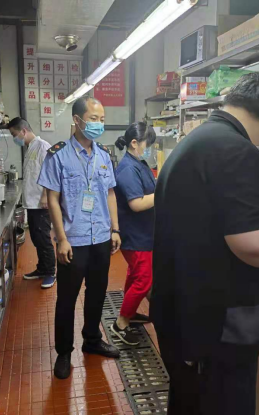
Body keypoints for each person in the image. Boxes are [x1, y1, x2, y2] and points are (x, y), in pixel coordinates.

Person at [151, 72, 259, 415]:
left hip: (182, 318)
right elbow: (254, 242)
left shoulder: (195, 141)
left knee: (188, 403)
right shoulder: (236, 150)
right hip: (213, 333)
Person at [38, 96, 122, 380]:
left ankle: (92, 340)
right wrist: (61, 239)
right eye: (94, 119)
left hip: (100, 238)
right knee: (67, 298)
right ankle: (64, 352)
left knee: (97, 292)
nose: (99, 124)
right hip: (73, 239)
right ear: (77, 120)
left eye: (102, 119)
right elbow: (52, 199)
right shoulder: (58, 155)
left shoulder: (103, 155)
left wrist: (115, 229)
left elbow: (110, 193)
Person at [111, 122, 157, 345]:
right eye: (149, 145)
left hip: (143, 232)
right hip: (135, 234)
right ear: (134, 143)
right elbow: (136, 203)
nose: (150, 149)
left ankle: (129, 312)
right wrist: (165, 193)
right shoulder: (128, 169)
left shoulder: (139, 163)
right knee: (144, 280)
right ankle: (121, 323)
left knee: (135, 275)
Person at [8, 117, 56, 289]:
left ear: (23, 131)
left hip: (40, 203)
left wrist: (45, 196)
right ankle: (42, 268)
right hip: (32, 202)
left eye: (14, 134)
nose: (15, 138)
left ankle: (50, 272)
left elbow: (51, 172)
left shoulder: (43, 146)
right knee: (36, 238)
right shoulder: (31, 148)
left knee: (43, 238)